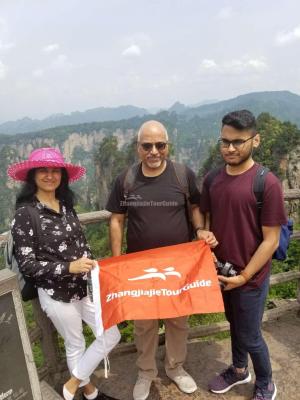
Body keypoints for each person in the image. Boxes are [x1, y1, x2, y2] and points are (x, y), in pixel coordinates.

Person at [106, 120, 218, 400]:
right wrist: (117, 261)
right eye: (147, 146)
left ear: (168, 146)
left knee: (178, 320)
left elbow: (195, 206)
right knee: (144, 322)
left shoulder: (182, 174)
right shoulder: (126, 179)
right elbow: (117, 220)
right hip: (139, 265)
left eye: (160, 145)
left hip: (178, 265)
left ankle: (175, 367)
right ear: (138, 148)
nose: (154, 151)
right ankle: (145, 372)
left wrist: (200, 230)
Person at [7, 148, 121, 400]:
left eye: (55, 170)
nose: (50, 175)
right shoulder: (25, 215)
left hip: (84, 287)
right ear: (33, 176)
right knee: (75, 343)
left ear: (62, 175)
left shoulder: (66, 205)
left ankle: (71, 385)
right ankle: (89, 393)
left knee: (112, 334)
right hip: (55, 293)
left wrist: (91, 263)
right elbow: (27, 265)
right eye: (43, 170)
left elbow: (81, 243)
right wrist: (68, 267)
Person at [200, 110, 287, 400]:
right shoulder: (212, 179)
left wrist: (245, 275)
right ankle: (239, 370)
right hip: (223, 273)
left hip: (250, 276)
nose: (230, 148)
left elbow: (271, 240)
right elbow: (207, 217)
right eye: (225, 141)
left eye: (238, 141)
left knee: (250, 334)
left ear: (256, 140)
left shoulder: (266, 183)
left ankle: (265, 382)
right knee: (234, 324)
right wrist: (204, 236)